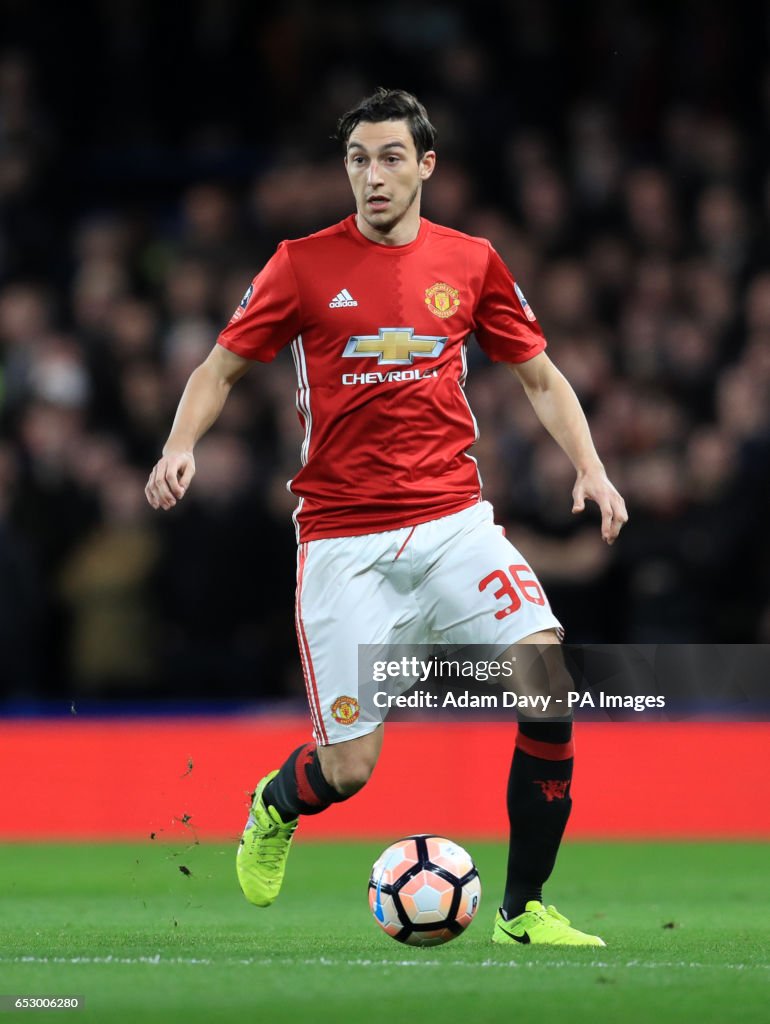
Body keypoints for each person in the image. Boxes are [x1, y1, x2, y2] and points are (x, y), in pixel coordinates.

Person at [145, 88, 628, 946]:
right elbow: (217, 370)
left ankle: (523, 910)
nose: (373, 175)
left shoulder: (472, 262)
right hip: (343, 542)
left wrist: (591, 469)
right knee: (350, 770)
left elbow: (542, 379)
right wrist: (180, 445)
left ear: (426, 165)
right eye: (359, 160)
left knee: (549, 686)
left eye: (392, 157)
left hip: (452, 520)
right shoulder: (298, 265)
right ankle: (276, 802)